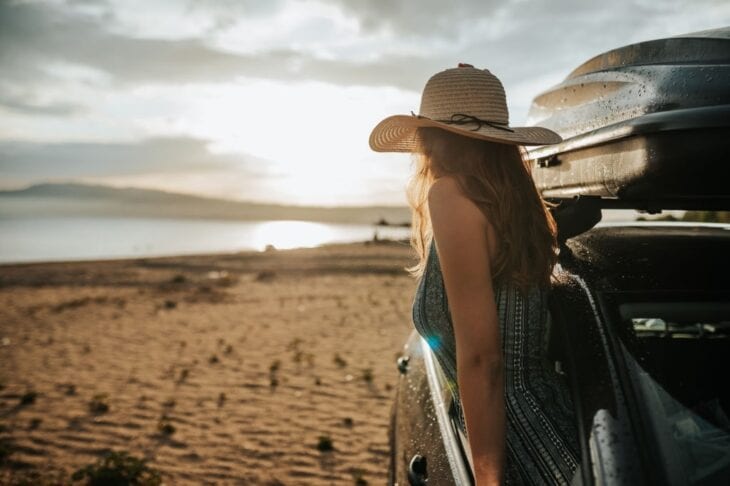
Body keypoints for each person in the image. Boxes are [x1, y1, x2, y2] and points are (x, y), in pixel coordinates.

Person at [369, 64, 580, 485]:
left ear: (431, 138)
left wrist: (486, 479)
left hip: (524, 446)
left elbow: (484, 360)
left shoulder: (452, 195)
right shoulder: (515, 206)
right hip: (557, 426)